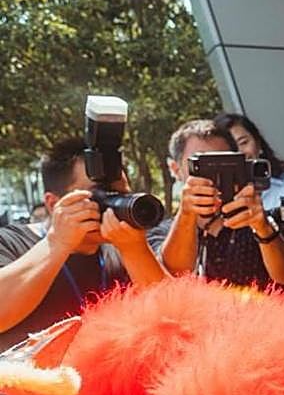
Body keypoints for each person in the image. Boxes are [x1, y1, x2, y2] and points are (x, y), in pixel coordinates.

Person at [0, 137, 166, 350]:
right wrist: (57, 243)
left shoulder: (124, 245)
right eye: (101, 195)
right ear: (53, 203)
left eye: (121, 195)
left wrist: (135, 250)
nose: (113, 205)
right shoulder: (11, 242)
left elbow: (171, 315)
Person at [155, 120, 284, 288]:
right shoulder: (163, 232)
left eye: (223, 163)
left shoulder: (258, 222)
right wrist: (187, 214)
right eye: (200, 165)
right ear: (175, 169)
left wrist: (263, 228)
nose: (213, 175)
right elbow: (173, 274)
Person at [213, 112, 284, 207]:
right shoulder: (216, 203)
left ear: (258, 143)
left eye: (243, 142)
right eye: (232, 147)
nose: (240, 153)